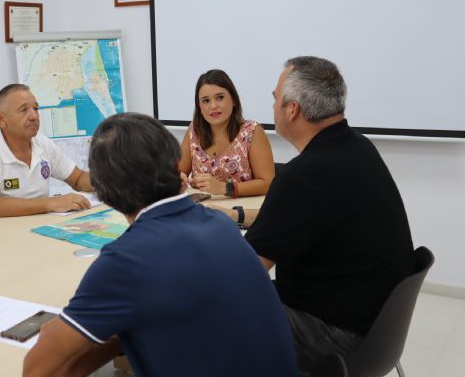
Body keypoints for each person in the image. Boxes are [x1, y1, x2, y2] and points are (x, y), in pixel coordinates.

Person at [23, 113, 297, 377]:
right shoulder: (219, 223)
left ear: (104, 192)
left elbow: (37, 369)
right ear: (178, 165)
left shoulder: (125, 261)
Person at [220, 57, 415, 375]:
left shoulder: (305, 175)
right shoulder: (358, 148)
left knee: (213, 304)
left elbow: (246, 270)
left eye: (274, 98)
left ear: (292, 109)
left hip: (337, 336)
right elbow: (306, 221)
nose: (272, 106)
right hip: (378, 329)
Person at [0, 84, 93, 221]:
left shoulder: (42, 143)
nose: (33, 116)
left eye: (35, 108)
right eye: (24, 110)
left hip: (31, 229)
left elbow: (78, 178)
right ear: (2, 120)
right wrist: (52, 203)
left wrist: (109, 181)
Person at [179, 69, 275, 198]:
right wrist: (179, 178)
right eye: (206, 100)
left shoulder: (252, 131)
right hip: (204, 212)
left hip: (242, 213)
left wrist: (224, 188)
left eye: (220, 97)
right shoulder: (194, 131)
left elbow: (268, 184)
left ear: (234, 100)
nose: (213, 106)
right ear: (199, 107)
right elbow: (178, 172)